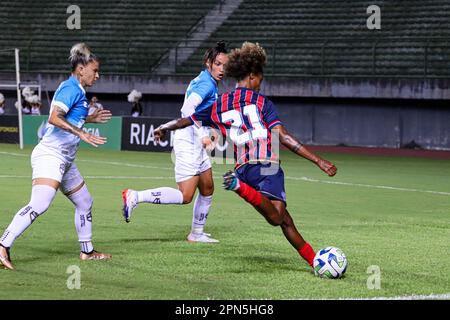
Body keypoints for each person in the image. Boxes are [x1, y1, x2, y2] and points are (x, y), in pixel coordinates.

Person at [153, 42, 337, 268]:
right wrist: (318, 160)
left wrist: (163, 128)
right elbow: (284, 137)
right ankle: (240, 188)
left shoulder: (220, 103)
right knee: (276, 217)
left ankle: (314, 261)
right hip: (266, 164)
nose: (261, 83)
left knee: (285, 219)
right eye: (260, 78)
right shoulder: (262, 102)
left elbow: (184, 120)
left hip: (243, 167)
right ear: (252, 75)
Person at [0, 43, 113, 270]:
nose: (98, 75)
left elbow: (69, 116)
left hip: (65, 159)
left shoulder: (78, 91)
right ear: (81, 69)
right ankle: (2, 245)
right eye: (95, 70)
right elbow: (54, 117)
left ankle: (87, 252)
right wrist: (82, 132)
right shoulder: (71, 89)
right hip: (51, 155)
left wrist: (88, 120)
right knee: (40, 203)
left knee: (84, 201)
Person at [122, 41, 229, 243]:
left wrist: (165, 127)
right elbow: (187, 110)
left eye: (225, 65)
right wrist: (202, 135)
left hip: (195, 140)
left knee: (207, 188)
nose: (222, 69)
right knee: (185, 196)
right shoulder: (206, 84)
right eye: (218, 64)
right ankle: (135, 196)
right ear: (208, 63)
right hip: (189, 142)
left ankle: (196, 234)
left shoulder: (207, 81)